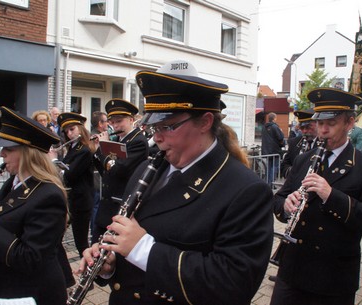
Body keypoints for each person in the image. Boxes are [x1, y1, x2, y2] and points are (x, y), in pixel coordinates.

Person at [78, 60, 274, 305]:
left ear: (205, 122)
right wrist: (110, 263)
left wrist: (142, 249)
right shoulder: (146, 169)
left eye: (168, 126)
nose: (157, 138)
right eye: (153, 127)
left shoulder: (246, 189)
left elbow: (234, 285)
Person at [270, 88, 362, 305]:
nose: (323, 130)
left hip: (333, 277)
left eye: (331, 123)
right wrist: (286, 205)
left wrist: (331, 195)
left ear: (350, 123)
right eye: (320, 123)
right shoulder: (304, 159)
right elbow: (278, 199)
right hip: (293, 270)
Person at [0, 106, 68, 305]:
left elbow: (31, 258)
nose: (2, 154)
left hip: (31, 293)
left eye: (9, 149)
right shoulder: (14, 182)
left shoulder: (48, 195)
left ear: (29, 154)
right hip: (6, 284)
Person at [91, 99, 148, 243]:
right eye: (113, 122)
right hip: (107, 207)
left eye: (119, 121)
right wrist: (99, 150)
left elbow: (118, 170)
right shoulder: (118, 140)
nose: (115, 125)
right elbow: (106, 172)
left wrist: (102, 149)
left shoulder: (138, 141)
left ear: (131, 119)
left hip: (120, 206)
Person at [53, 112, 95, 258]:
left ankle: (90, 271)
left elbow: (70, 174)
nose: (70, 134)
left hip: (81, 201)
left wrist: (55, 162)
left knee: (81, 241)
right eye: (67, 131)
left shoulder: (84, 150)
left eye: (72, 129)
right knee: (56, 236)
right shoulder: (72, 148)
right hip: (71, 199)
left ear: (80, 128)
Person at [280, 108, 320, 178]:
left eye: (308, 127)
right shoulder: (295, 142)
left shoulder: (325, 144)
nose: (304, 131)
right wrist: (293, 172)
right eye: (302, 128)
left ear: (318, 124)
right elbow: (284, 165)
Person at [262, 112, 285, 185]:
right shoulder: (275, 127)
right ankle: (271, 183)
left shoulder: (264, 127)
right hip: (275, 151)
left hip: (267, 151)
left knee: (269, 167)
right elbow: (280, 137)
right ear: (274, 118)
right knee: (274, 167)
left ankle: (268, 183)